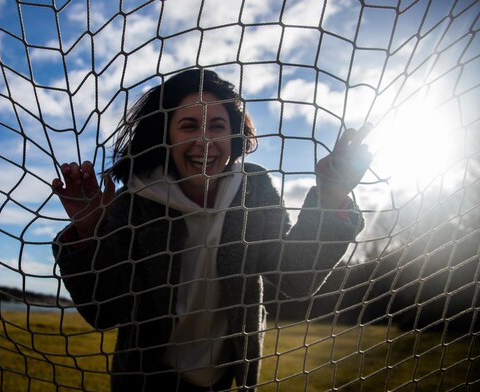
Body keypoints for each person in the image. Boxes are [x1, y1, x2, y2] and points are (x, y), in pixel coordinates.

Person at [51, 69, 372, 391]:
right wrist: (90, 231)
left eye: (217, 126)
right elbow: (103, 311)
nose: (204, 141)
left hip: (225, 379)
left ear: (233, 135)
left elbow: (295, 277)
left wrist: (331, 198)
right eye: (189, 126)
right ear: (166, 135)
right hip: (146, 379)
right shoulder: (135, 201)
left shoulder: (254, 188)